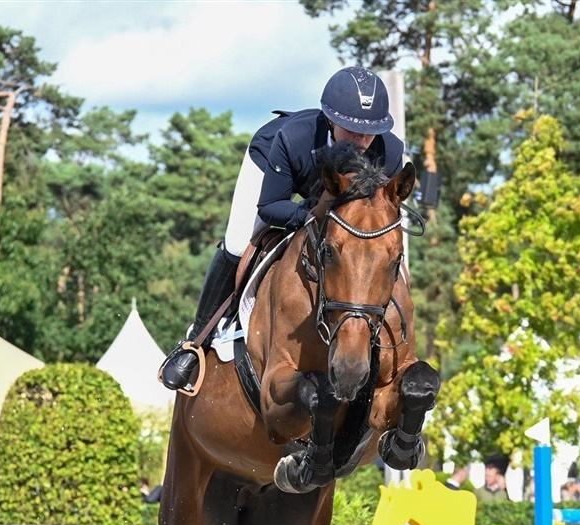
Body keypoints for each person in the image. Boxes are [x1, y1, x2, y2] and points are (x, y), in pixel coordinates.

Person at [159, 66, 407, 391]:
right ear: (330, 120)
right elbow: (271, 206)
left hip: (332, 204)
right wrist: (310, 212)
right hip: (272, 171)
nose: (362, 140)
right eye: (351, 130)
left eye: (370, 131)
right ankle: (196, 341)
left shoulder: (390, 152)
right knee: (237, 242)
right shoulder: (294, 139)